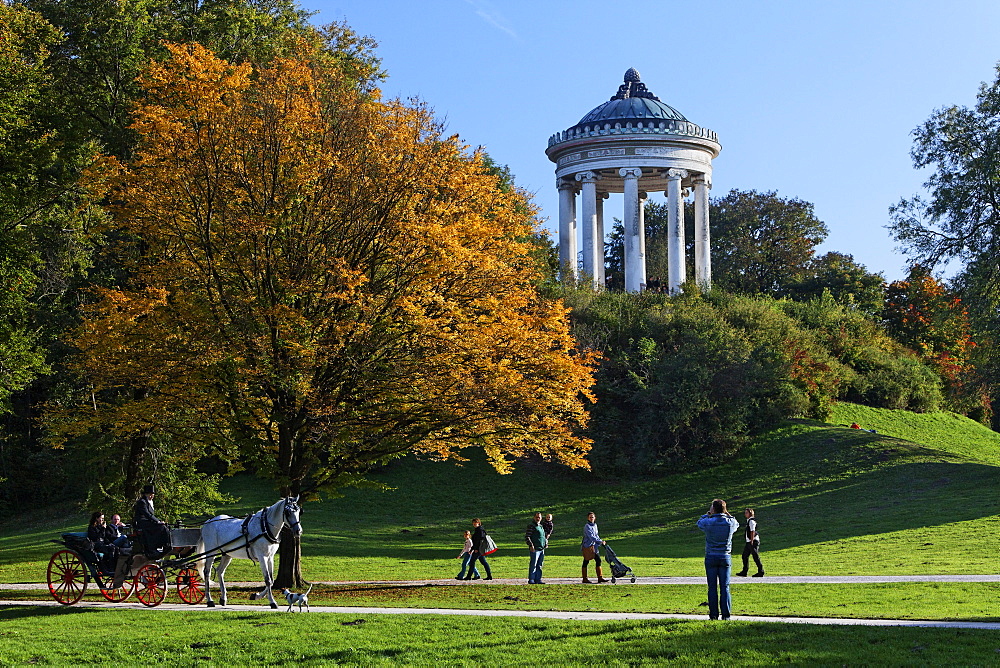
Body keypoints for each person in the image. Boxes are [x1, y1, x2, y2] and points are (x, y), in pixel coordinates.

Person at [697, 498, 740, 620]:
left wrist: (708, 514)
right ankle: (726, 615)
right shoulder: (729, 523)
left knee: (712, 587)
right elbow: (736, 522)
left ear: (714, 508)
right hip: (725, 556)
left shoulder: (708, 522)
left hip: (711, 556)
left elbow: (699, 522)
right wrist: (727, 513)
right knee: (725, 587)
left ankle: (713, 614)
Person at [132, 484, 170, 557]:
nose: (152, 496)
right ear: (146, 494)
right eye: (150, 494)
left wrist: (158, 521)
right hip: (142, 522)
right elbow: (147, 514)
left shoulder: (149, 502)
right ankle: (154, 547)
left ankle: (164, 544)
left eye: (152, 494)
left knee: (165, 526)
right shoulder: (142, 502)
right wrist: (157, 521)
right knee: (161, 527)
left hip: (147, 521)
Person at [735, 508, 765, 578]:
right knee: (744, 556)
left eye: (746, 513)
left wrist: (751, 540)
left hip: (752, 541)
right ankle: (744, 571)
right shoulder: (748, 521)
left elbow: (752, 531)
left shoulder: (751, 521)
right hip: (749, 541)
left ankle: (761, 571)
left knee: (755, 556)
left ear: (750, 513)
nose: (745, 514)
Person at [581, 511, 608, 584]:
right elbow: (591, 537)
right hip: (588, 546)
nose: (591, 518)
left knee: (598, 560)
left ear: (595, 518)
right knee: (586, 561)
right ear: (588, 518)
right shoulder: (587, 526)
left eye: (592, 517)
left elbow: (596, 535)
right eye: (590, 517)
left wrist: (601, 541)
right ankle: (585, 578)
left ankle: (600, 577)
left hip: (594, 546)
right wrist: (600, 541)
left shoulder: (595, 525)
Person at [525, 512, 547, 584]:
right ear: (534, 518)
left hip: (541, 548)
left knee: (539, 565)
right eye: (537, 517)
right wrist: (531, 545)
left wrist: (545, 543)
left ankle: (538, 579)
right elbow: (527, 536)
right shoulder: (531, 526)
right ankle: (531, 579)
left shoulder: (540, 526)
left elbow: (543, 536)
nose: (538, 518)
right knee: (533, 564)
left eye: (539, 517)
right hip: (535, 548)